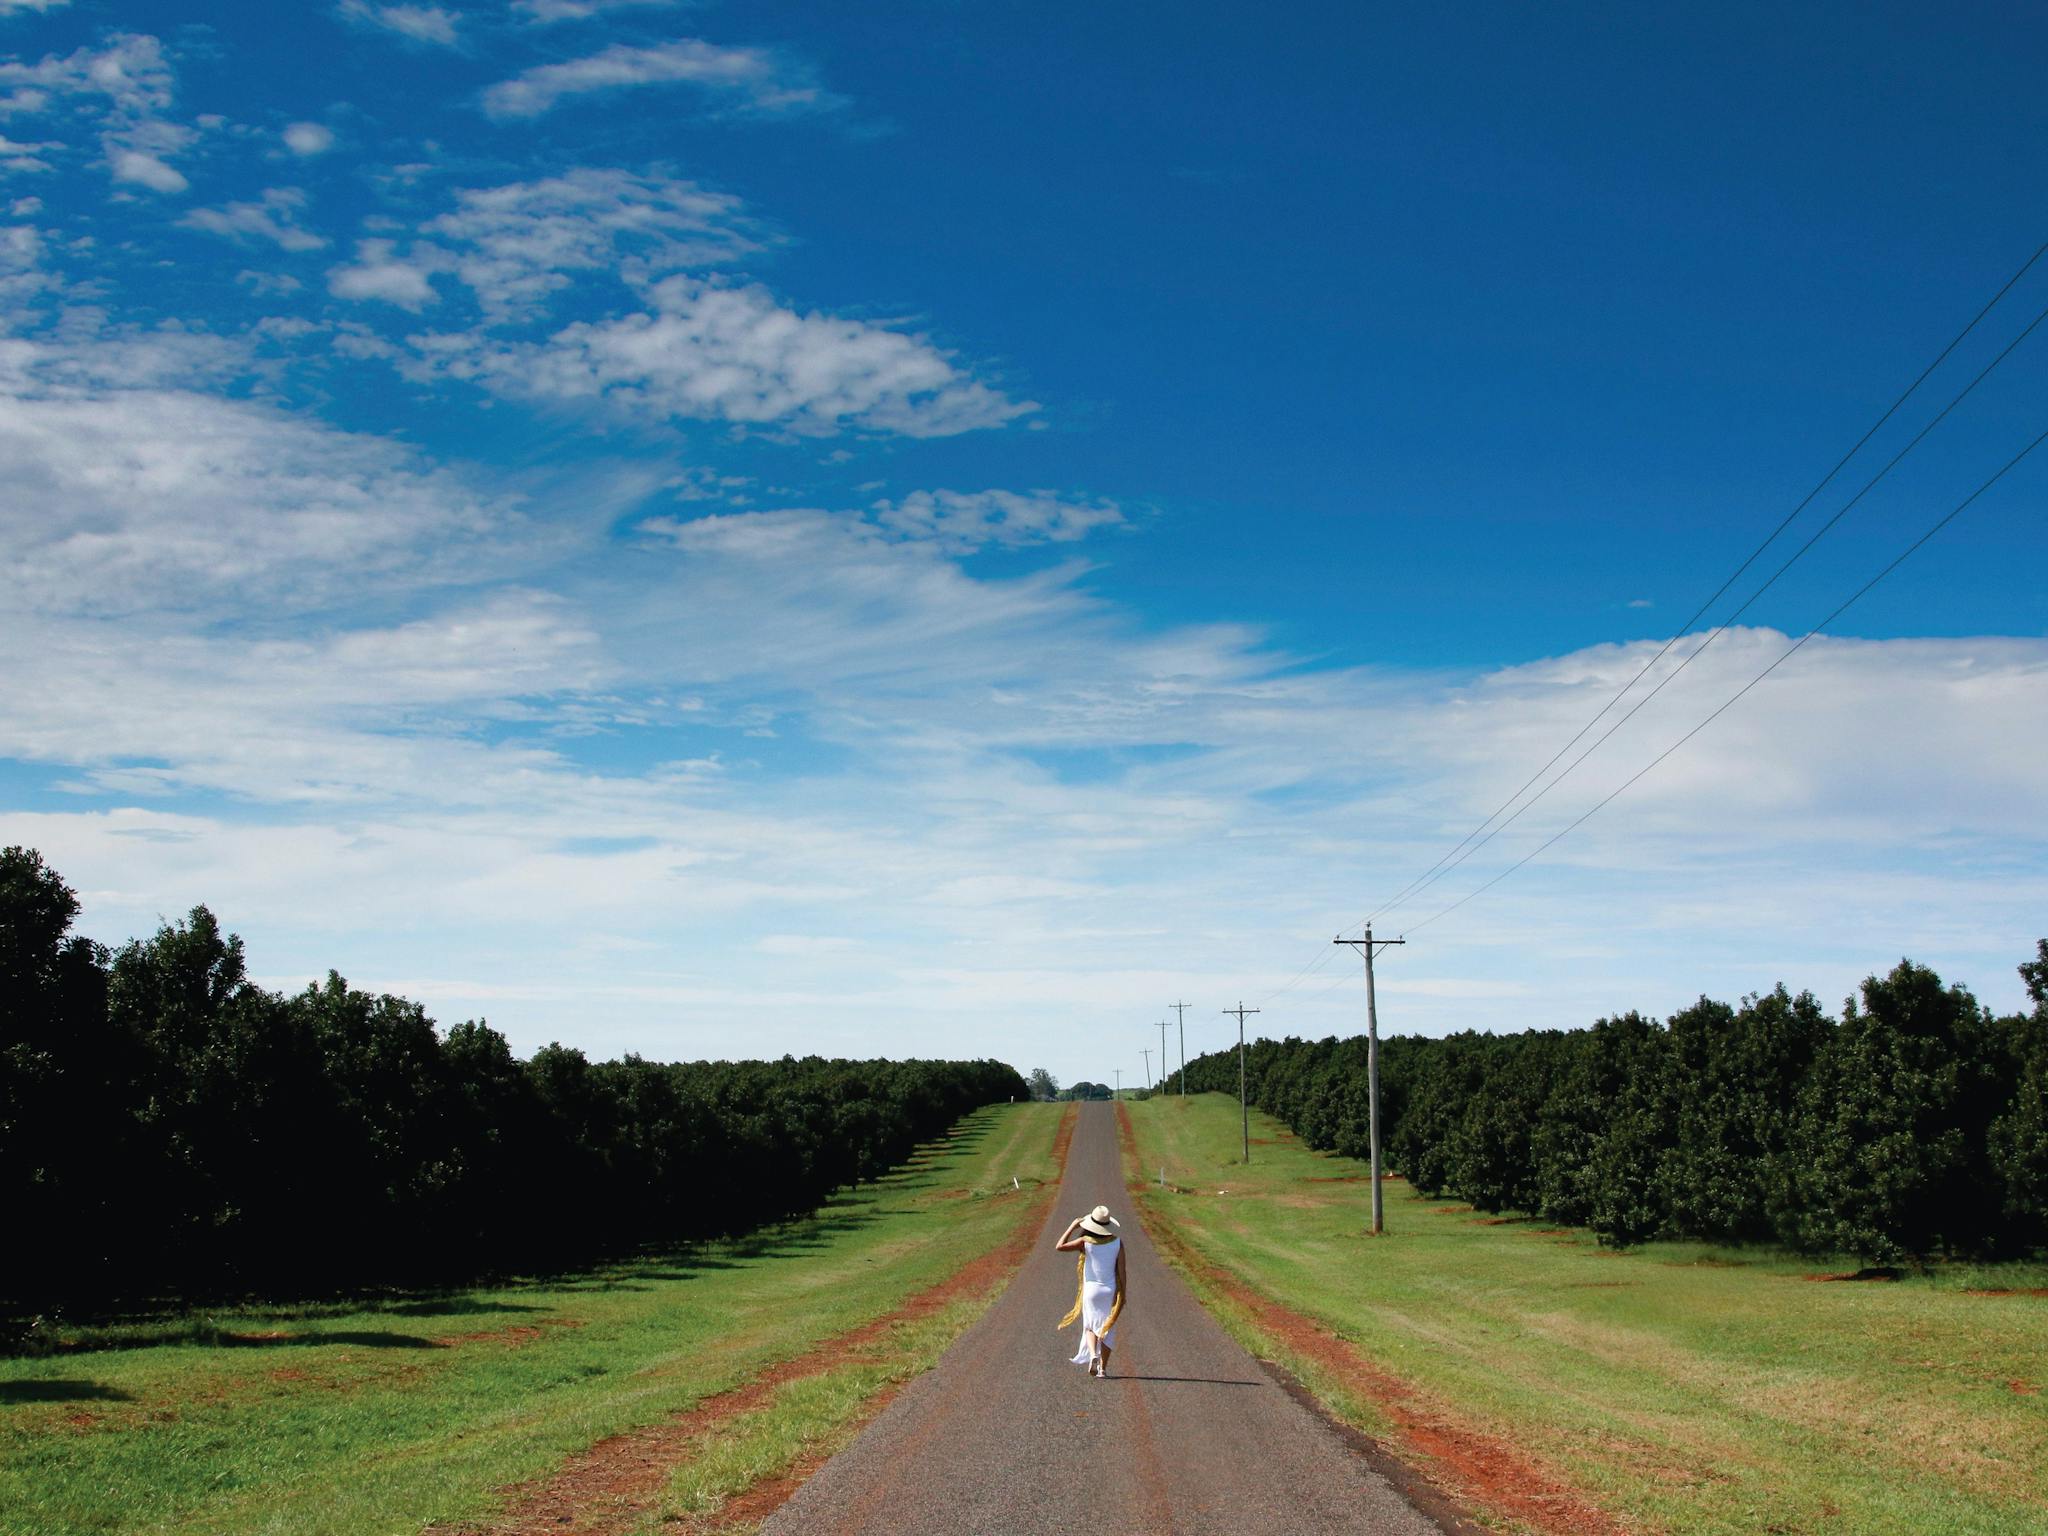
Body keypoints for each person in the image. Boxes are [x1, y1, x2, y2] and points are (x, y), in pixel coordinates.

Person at [1054, 1205, 1127, 1378]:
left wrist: (1072, 1226)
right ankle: (1103, 1369)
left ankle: (1093, 1354)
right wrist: (1122, 1293)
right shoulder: (1117, 1242)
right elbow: (1122, 1271)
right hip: (1109, 1290)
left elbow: (1059, 1246)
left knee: (1090, 1326)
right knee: (1108, 1328)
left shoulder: (1085, 1242)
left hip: (1091, 1290)